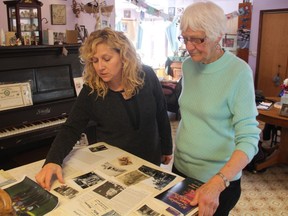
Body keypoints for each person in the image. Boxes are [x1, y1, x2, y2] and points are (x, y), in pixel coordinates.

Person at [35, 28, 173, 191]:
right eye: (94, 60)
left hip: (149, 158)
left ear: (123, 56)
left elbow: (161, 113)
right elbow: (71, 128)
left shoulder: (147, 75)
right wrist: (52, 160)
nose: (100, 67)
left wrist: (167, 147)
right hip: (114, 165)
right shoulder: (92, 89)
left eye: (106, 59)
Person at [172, 2, 260, 216]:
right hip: (181, 169)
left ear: (218, 36)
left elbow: (249, 138)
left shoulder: (238, 72)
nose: (190, 46)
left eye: (198, 39)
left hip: (217, 179)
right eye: (185, 38)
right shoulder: (188, 65)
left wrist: (219, 181)